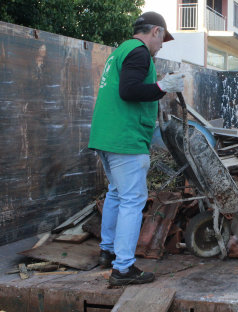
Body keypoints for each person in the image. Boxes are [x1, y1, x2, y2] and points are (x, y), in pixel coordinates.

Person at [88, 11, 184, 286]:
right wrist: (162, 86)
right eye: (162, 39)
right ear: (154, 32)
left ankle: (107, 251)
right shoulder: (139, 52)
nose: (162, 45)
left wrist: (157, 85)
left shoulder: (121, 52)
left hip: (107, 138)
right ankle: (124, 268)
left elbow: (127, 87)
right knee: (132, 200)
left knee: (117, 194)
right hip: (125, 140)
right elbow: (129, 91)